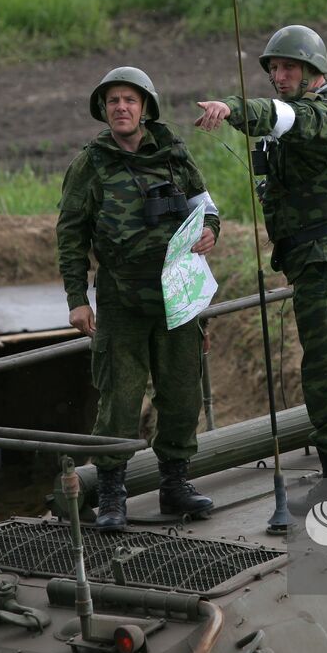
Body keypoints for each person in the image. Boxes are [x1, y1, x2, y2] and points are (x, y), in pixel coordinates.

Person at [194, 25, 327, 513]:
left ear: (314, 72)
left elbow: (283, 117)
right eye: (274, 69)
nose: (278, 76)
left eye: (288, 68)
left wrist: (234, 109)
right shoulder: (319, 111)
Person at [57, 66, 220, 532]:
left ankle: (175, 483)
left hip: (178, 296)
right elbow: (70, 235)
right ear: (104, 110)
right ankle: (112, 494)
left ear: (145, 107)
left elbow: (205, 206)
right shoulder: (91, 163)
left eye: (130, 100)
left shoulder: (173, 153)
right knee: (120, 403)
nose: (122, 108)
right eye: (113, 102)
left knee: (182, 393)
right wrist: (77, 298)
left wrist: (209, 230)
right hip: (122, 301)